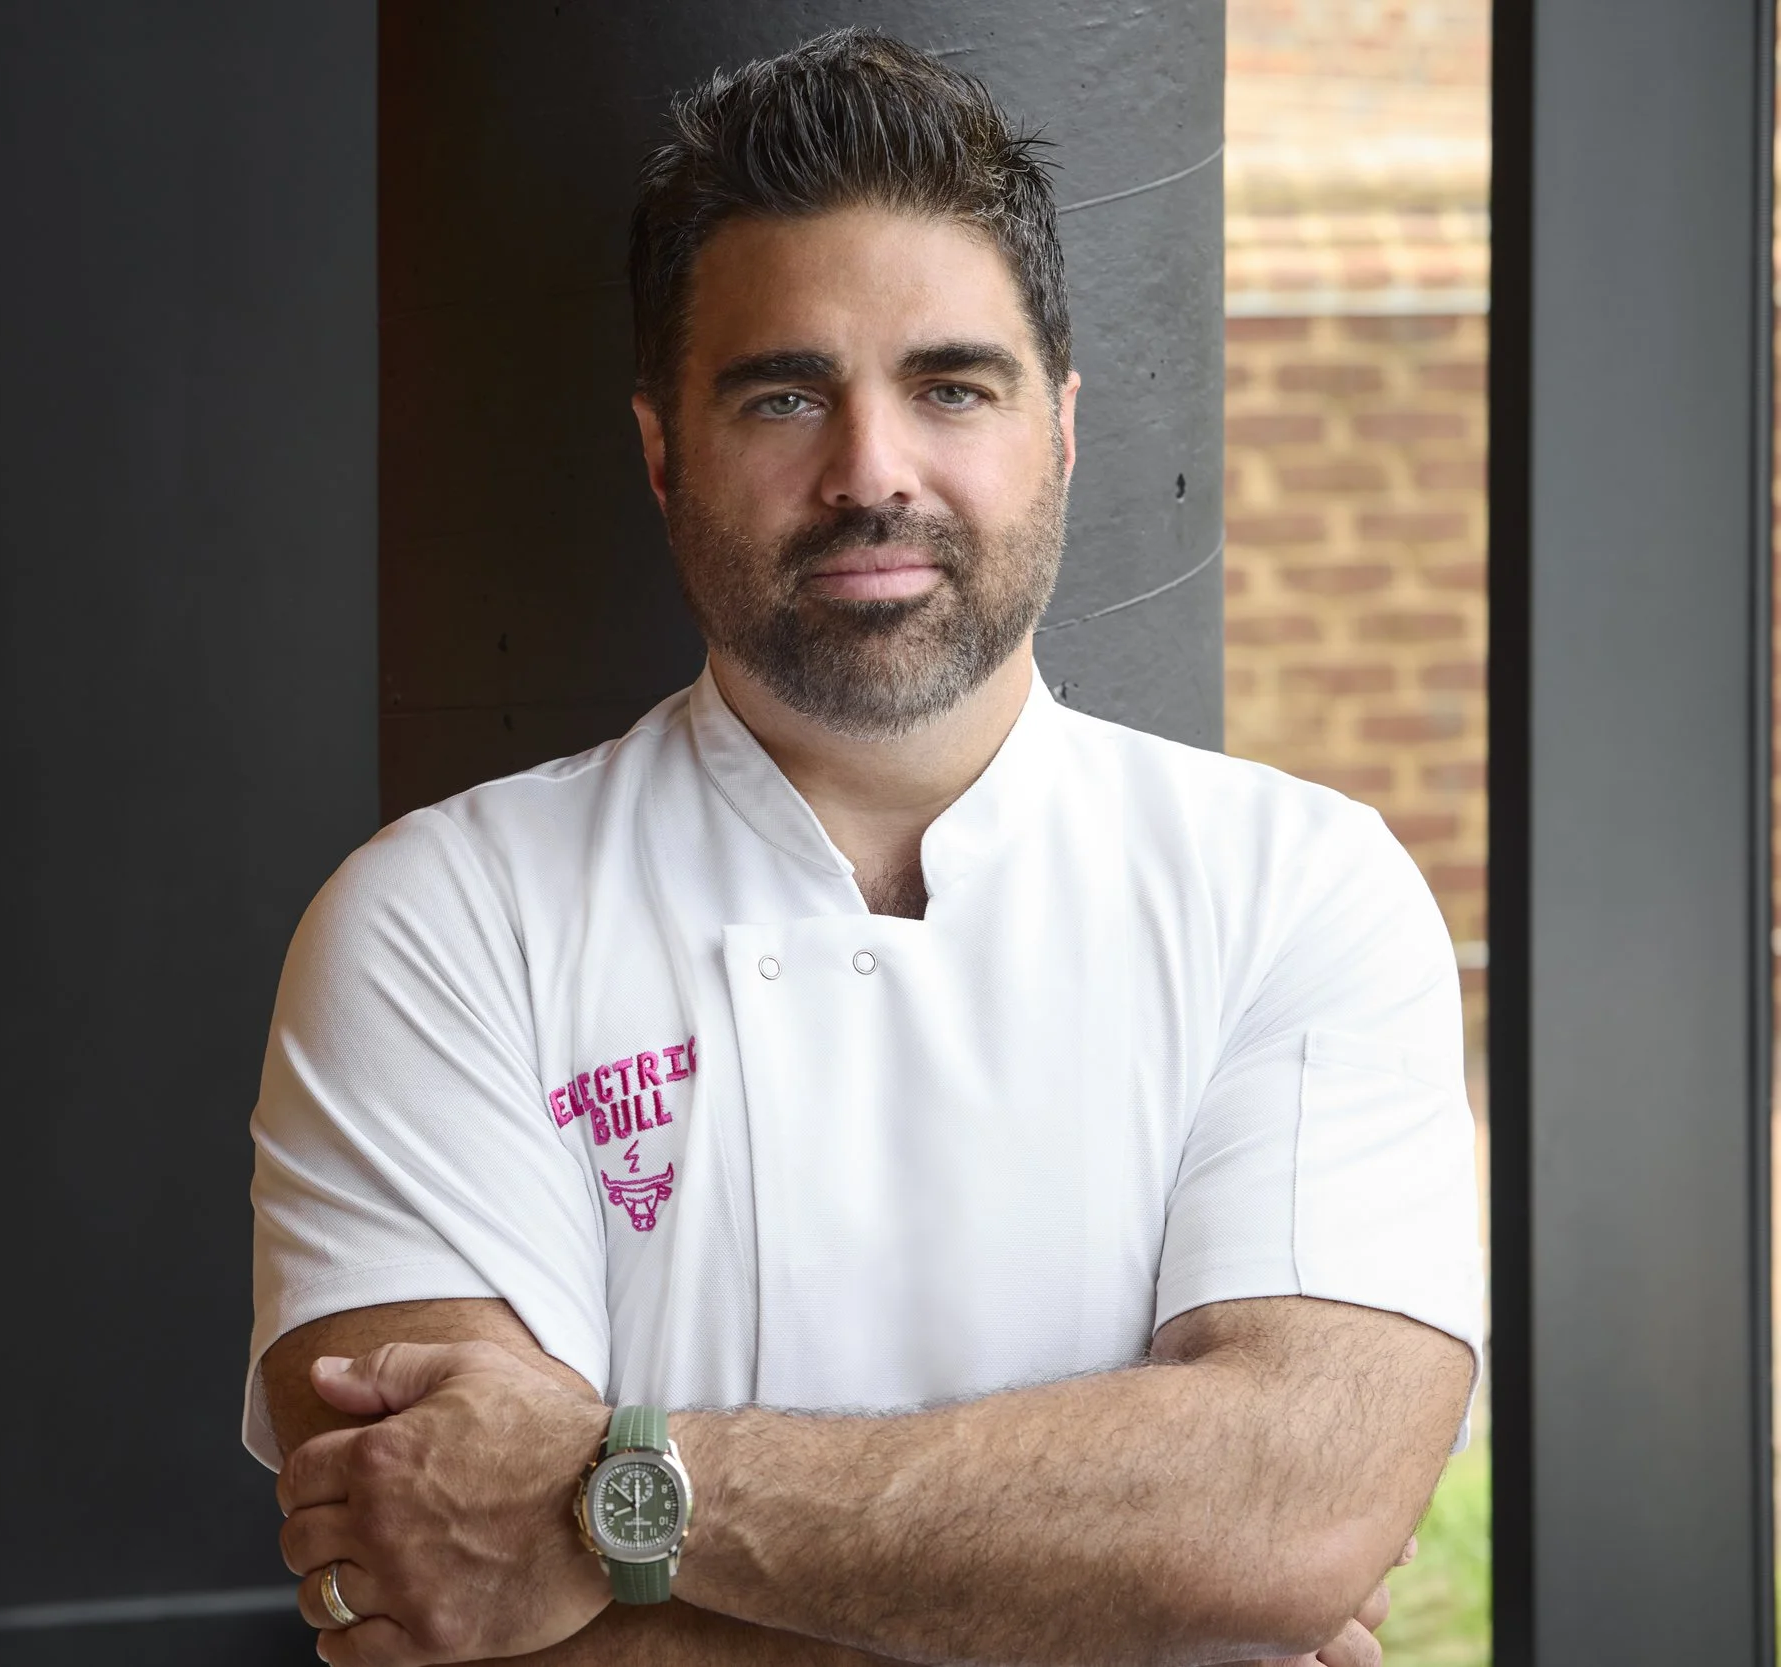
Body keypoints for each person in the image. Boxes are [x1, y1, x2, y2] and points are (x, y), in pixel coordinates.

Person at [245, 29, 1480, 1667]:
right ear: (661, 446)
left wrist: (620, 1508)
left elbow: (1297, 1513)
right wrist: (1145, 1596)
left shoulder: (1297, 888)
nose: (872, 472)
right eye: (783, 393)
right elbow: (439, 1583)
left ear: (1061, 432)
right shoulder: (442, 922)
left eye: (951, 385)